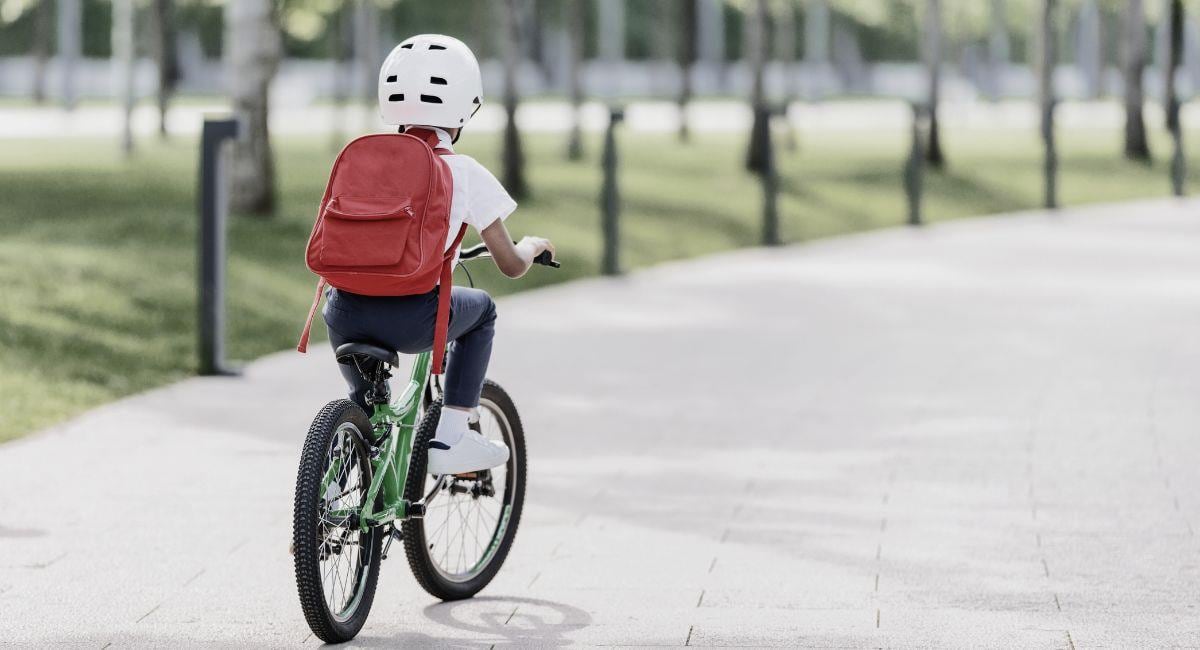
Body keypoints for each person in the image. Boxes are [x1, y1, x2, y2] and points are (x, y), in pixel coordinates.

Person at [323, 34, 554, 475]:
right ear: (466, 106)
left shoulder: (363, 158)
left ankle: (331, 490)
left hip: (344, 312)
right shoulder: (464, 172)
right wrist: (531, 246)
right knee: (482, 310)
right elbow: (510, 265)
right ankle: (450, 439)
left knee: (367, 410)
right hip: (412, 320)